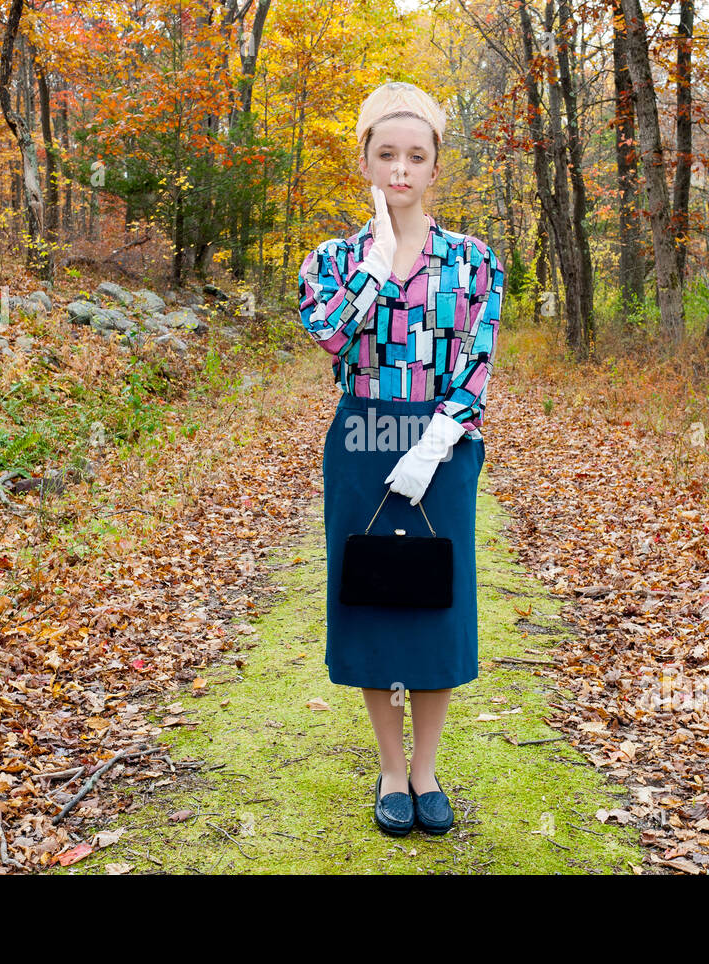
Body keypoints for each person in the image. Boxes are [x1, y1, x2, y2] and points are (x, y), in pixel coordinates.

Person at [297, 81, 505, 837]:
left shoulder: (474, 262)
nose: (401, 170)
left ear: (435, 165)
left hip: (443, 447)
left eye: (416, 156)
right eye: (387, 154)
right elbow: (329, 336)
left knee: (436, 603)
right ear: (365, 161)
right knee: (375, 594)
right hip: (361, 438)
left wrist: (436, 443)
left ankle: (427, 772)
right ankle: (390, 769)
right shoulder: (332, 259)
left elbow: (476, 367)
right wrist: (378, 262)